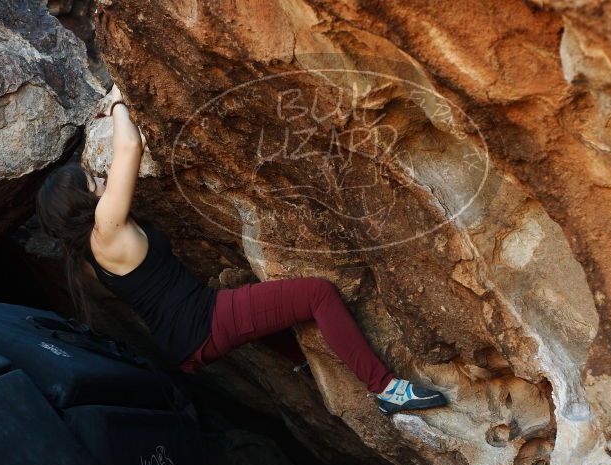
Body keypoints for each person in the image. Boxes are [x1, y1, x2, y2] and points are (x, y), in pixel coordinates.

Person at [35, 84, 447, 415]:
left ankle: (301, 359)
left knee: (253, 301)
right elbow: (129, 148)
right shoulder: (106, 227)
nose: (102, 180)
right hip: (205, 324)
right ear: (83, 201)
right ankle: (386, 389)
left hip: (186, 339)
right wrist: (118, 102)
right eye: (93, 179)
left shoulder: (87, 259)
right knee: (318, 294)